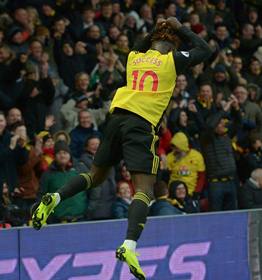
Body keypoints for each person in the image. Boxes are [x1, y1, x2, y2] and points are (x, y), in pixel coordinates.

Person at [32, 17, 212, 279]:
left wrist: (157, 28)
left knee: (96, 175)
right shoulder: (170, 61)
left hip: (116, 120)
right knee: (144, 190)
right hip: (141, 125)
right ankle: (129, 245)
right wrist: (179, 27)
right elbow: (205, 49)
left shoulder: (134, 58)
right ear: (171, 49)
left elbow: (140, 45)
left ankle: (54, 198)